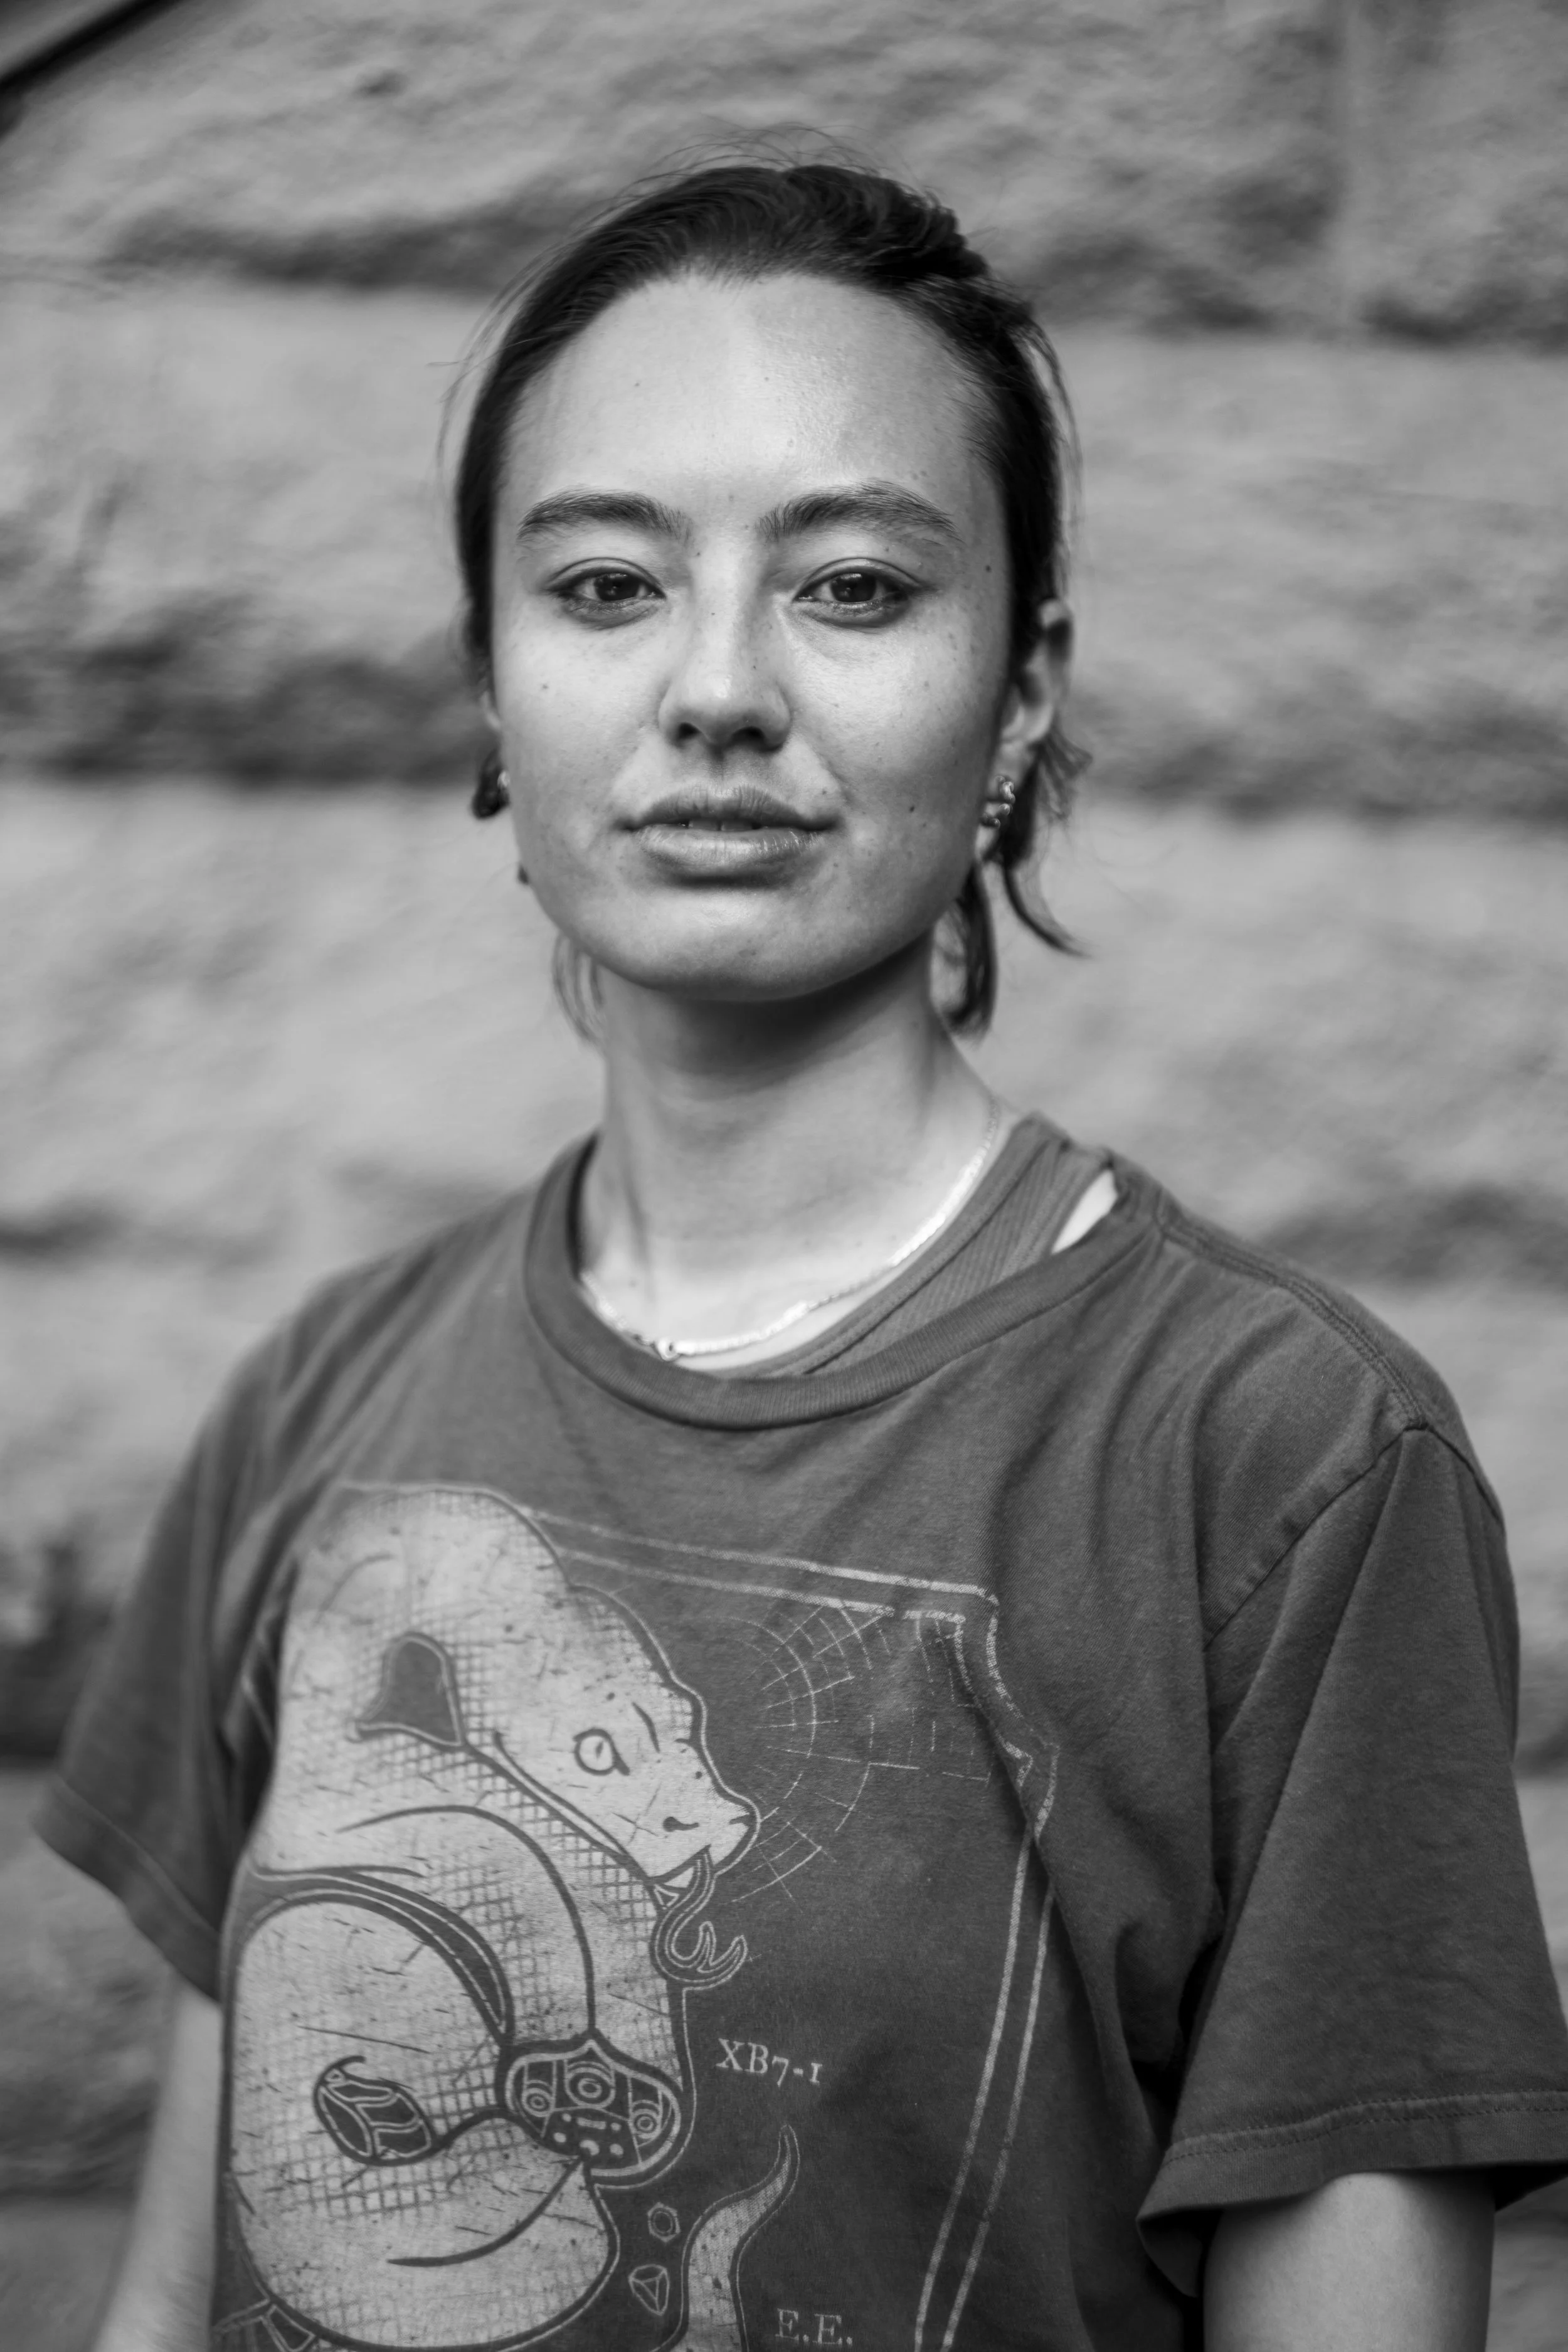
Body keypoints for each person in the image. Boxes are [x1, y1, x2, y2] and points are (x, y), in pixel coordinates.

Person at [40, 157, 1568, 2352]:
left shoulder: (1285, 1466)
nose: (718, 690)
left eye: (852, 586)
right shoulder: (325, 1396)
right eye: (603, 585)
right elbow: (178, 2293)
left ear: (1019, 692)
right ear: (488, 683)